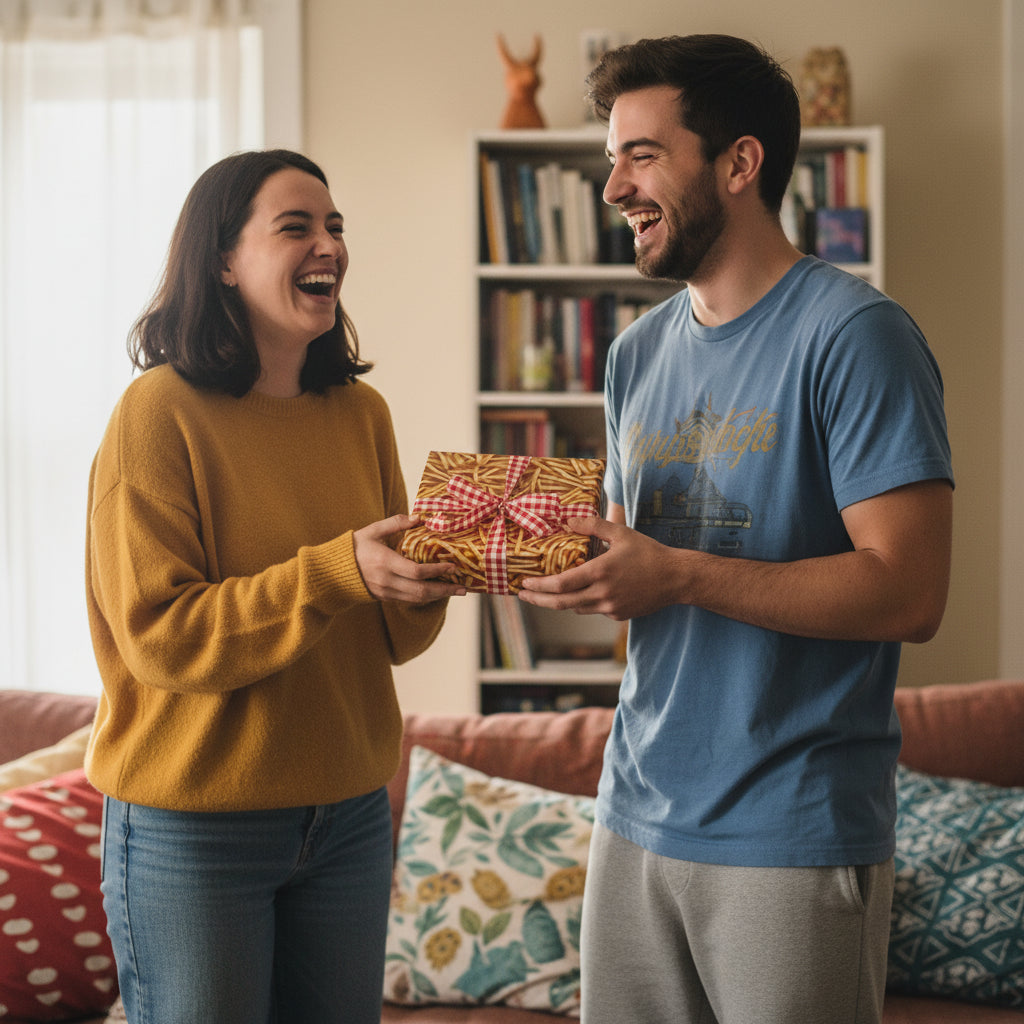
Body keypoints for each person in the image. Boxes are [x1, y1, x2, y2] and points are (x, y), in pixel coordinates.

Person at [518, 35, 953, 1024]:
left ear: (738, 163)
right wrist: (554, 561)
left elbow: (910, 591)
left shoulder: (857, 335)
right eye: (611, 156)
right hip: (632, 817)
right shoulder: (633, 354)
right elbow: (645, 564)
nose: (611, 186)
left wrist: (674, 574)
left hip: (792, 828)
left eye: (640, 155)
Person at [84, 149, 465, 1024]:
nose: (327, 243)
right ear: (221, 258)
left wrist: (435, 577)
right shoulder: (158, 413)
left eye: (335, 226)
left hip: (350, 818)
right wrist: (339, 571)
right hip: (194, 829)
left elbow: (395, 639)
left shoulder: (361, 415)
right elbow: (162, 636)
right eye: (296, 226)